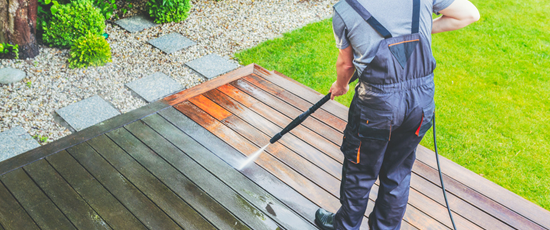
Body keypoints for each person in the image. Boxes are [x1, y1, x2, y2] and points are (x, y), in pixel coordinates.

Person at [314, 0, 480, 229]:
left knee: (360, 172)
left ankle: (345, 226)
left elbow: (345, 65)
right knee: (397, 172)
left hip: (376, 106)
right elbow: (469, 14)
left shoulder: (345, 9)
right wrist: (417, 31)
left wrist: (341, 86)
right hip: (420, 103)